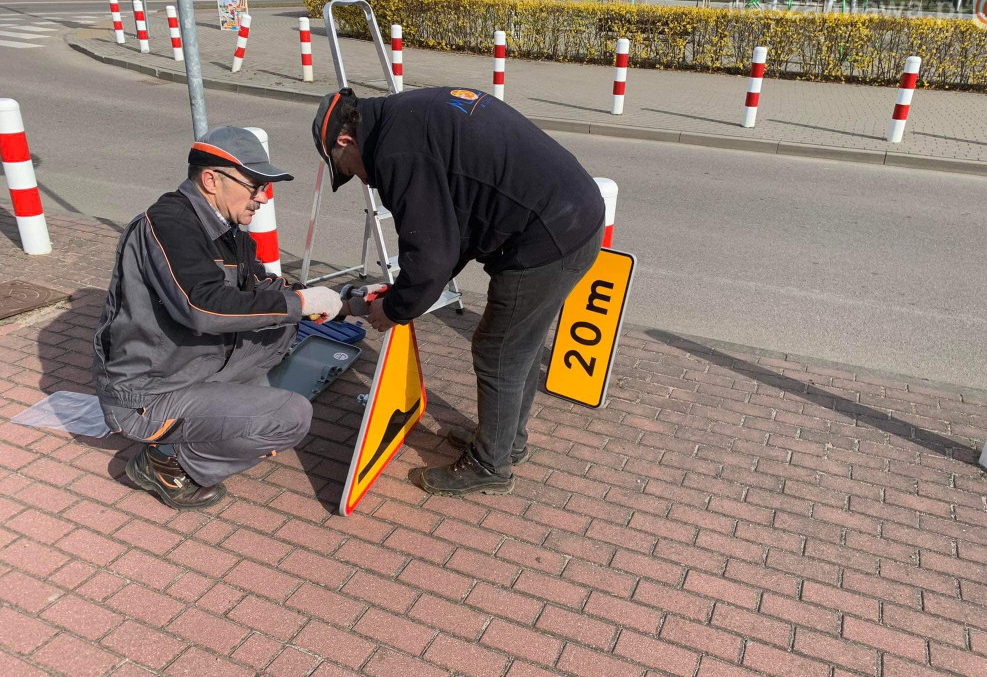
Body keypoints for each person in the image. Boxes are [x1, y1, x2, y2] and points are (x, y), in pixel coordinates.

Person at [312, 87, 605, 497]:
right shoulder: (405, 117)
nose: (361, 178)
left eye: (346, 168)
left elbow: (431, 257)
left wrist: (395, 310)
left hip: (550, 236)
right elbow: (453, 233)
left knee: (499, 349)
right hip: (569, 215)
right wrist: (405, 293)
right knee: (517, 346)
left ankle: (491, 465)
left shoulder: (397, 152)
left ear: (345, 140)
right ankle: (507, 443)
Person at [92, 126, 369, 510]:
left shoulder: (226, 228)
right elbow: (203, 307)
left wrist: (346, 301)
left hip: (191, 368)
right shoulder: (169, 223)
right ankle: (169, 464)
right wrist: (300, 304)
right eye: (255, 184)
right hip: (149, 393)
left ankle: (220, 416)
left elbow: (264, 289)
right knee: (290, 416)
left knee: (284, 331)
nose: (263, 196)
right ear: (211, 179)